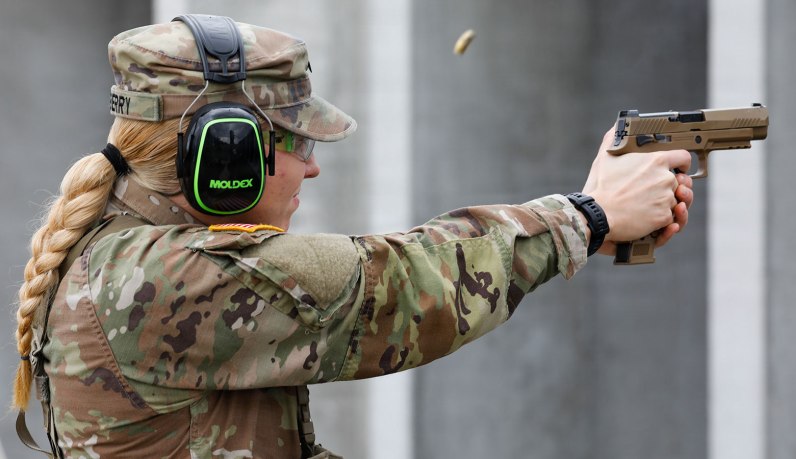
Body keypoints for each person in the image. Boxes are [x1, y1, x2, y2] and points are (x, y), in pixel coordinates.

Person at [12, 15, 693, 459]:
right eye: (297, 140)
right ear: (229, 153)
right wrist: (586, 215)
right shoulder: (155, 276)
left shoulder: (124, 253)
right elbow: (392, 286)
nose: (313, 163)